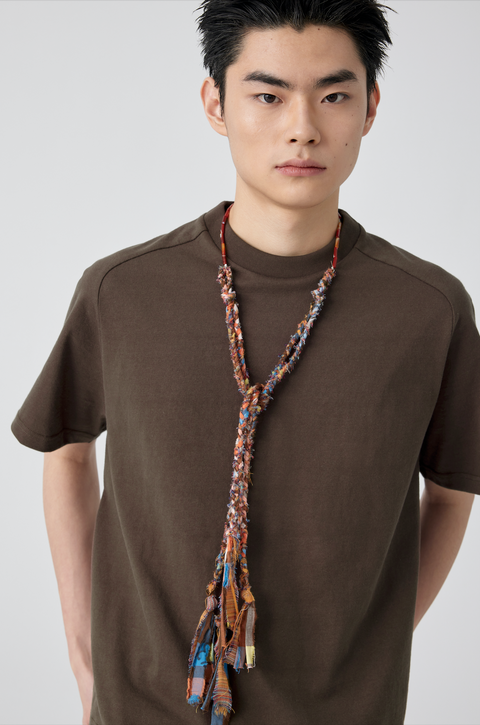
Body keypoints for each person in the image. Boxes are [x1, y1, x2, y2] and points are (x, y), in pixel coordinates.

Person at [11, 0, 479, 723]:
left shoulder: (428, 309)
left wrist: (374, 642)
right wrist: (84, 654)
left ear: (370, 108)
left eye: (334, 96)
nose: (303, 127)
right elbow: (66, 450)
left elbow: (452, 490)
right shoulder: (123, 290)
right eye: (268, 95)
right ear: (216, 104)